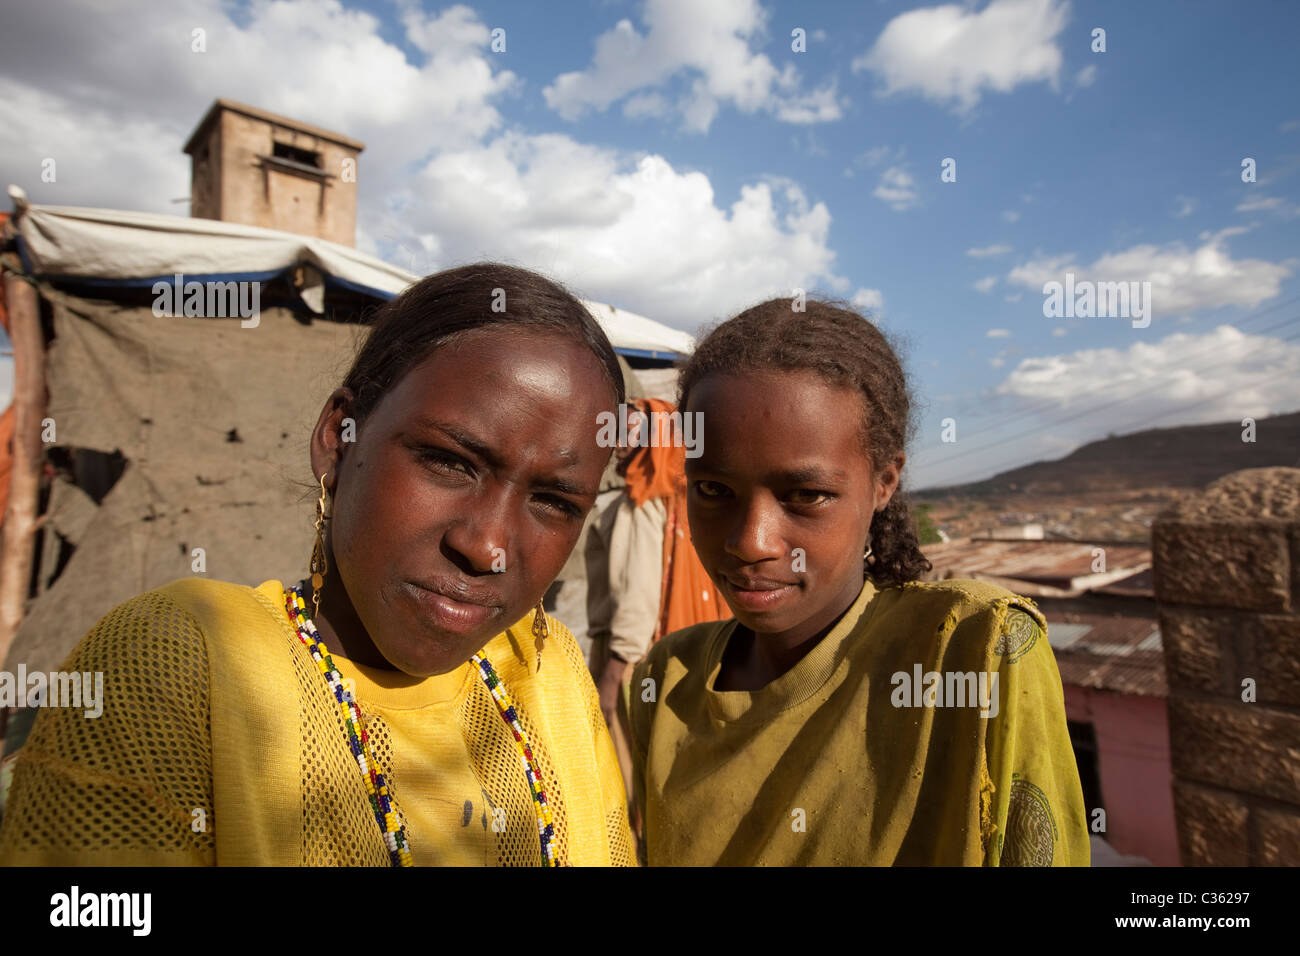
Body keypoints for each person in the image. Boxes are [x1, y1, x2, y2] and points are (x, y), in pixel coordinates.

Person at [0, 263, 636, 866]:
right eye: (448, 462)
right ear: (339, 436)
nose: (487, 545)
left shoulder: (546, 671)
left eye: (554, 500)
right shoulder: (179, 665)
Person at [620, 297, 1089, 866]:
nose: (751, 541)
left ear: (884, 481)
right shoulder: (668, 680)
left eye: (806, 495)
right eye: (714, 490)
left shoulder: (969, 650)